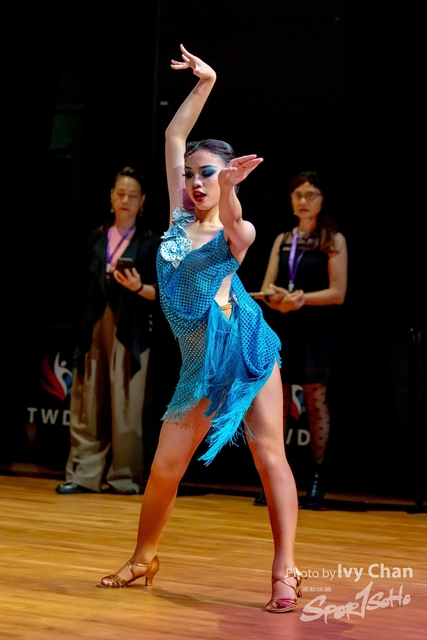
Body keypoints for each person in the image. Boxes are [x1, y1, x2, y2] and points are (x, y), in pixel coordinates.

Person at [99, 45, 302, 614]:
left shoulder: (236, 229)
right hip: (198, 365)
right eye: (189, 174)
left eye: (206, 173)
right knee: (165, 469)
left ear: (227, 177)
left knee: (269, 457)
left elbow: (238, 227)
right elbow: (174, 134)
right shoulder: (175, 218)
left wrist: (230, 186)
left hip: (245, 351)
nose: (194, 181)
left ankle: (285, 572)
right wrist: (206, 80)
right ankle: (143, 557)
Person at [56, 167, 159, 496]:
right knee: (88, 403)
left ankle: (124, 477)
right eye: (120, 194)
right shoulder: (97, 237)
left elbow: (162, 293)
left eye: (132, 195)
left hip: (131, 329)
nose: (125, 200)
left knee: (127, 405)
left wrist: (138, 286)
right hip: (95, 325)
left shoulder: (150, 242)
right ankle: (84, 474)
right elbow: (80, 285)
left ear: (142, 201)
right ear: (111, 197)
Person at [254, 170, 347, 509]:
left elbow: (338, 292)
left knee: (315, 402)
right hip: (283, 328)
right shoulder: (283, 239)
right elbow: (267, 287)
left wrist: (301, 299)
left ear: (322, 200)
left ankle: (317, 480)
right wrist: (275, 298)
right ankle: (274, 479)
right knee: (276, 403)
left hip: (315, 330)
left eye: (311, 195)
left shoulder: (333, 240)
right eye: (298, 195)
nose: (303, 201)